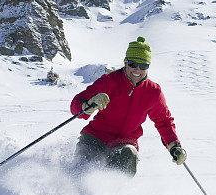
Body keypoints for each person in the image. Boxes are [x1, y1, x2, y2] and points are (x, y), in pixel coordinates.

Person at [70, 36, 187, 176]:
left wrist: (174, 146)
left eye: (143, 66)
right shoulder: (109, 81)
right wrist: (88, 105)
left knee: (129, 154)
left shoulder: (153, 91)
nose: (137, 69)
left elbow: (164, 121)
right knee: (83, 168)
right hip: (95, 138)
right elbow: (75, 105)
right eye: (132, 64)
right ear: (125, 62)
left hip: (125, 144)